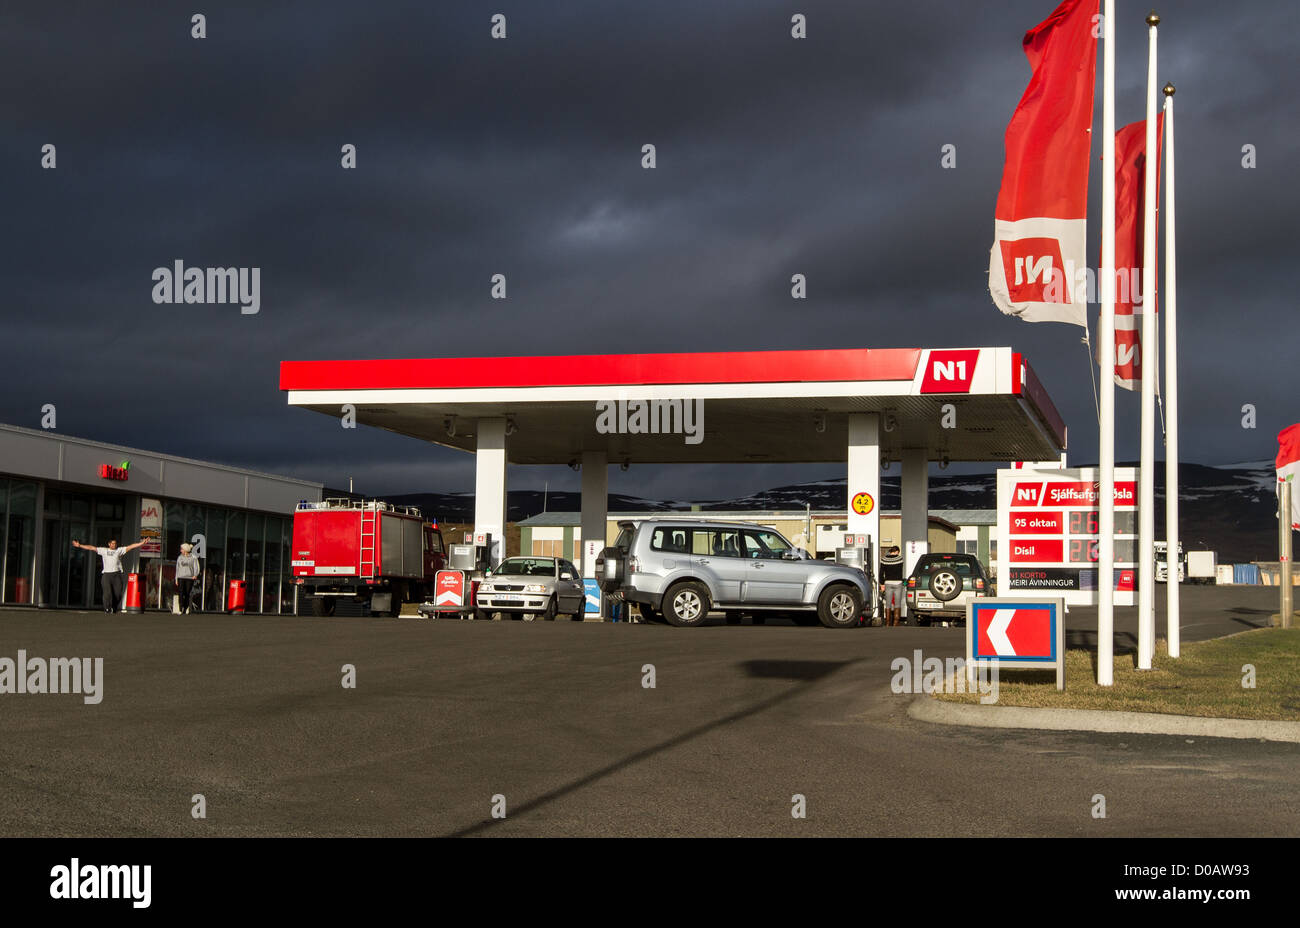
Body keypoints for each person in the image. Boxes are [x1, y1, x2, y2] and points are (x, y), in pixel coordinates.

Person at [72, 537, 146, 613]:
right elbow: (91, 548)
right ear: (109, 544)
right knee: (107, 593)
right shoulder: (104, 550)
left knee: (118, 594)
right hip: (107, 574)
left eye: (115, 543)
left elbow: (131, 547)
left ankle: (114, 607)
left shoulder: (119, 550)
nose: (114, 545)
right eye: (112, 543)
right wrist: (80, 545)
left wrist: (141, 543)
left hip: (117, 574)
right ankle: (107, 608)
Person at [175, 543, 201, 614]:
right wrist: (176, 578)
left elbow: (196, 566)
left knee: (187, 593)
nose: (181, 551)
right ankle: (180, 608)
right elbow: (177, 568)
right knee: (180, 592)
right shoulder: (180, 557)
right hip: (181, 577)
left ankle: (185, 607)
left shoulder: (193, 557)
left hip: (189, 578)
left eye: (182, 549)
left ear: (186, 550)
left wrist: (195, 575)